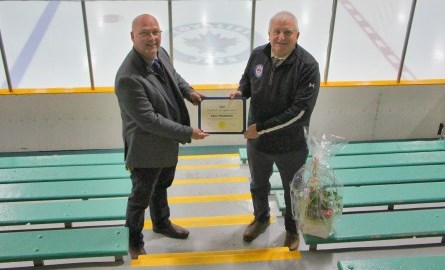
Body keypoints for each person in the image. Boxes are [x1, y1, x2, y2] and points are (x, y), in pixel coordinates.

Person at [115, 14, 209, 259]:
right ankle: (134, 240)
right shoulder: (128, 77)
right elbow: (149, 121)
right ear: (132, 36)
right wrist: (189, 133)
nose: (152, 37)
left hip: (167, 143)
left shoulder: (160, 53)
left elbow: (173, 76)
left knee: (162, 186)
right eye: (145, 33)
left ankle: (161, 223)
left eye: (156, 32)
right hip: (146, 149)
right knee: (140, 197)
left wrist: (189, 93)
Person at [229, 11, 320, 251]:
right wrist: (240, 93)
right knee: (258, 184)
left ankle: (291, 229)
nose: (281, 37)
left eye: (287, 32)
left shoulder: (308, 66)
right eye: (276, 32)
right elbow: (247, 82)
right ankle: (260, 219)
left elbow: (300, 112)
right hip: (258, 144)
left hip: (290, 146)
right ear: (269, 33)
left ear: (297, 35)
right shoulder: (258, 54)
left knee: (293, 189)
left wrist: (260, 128)